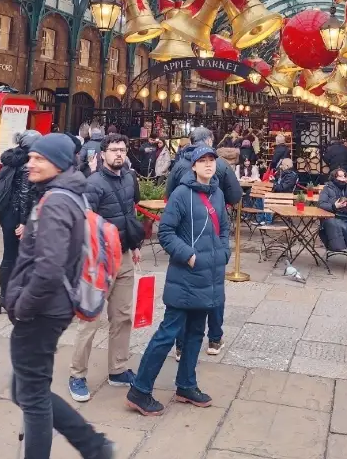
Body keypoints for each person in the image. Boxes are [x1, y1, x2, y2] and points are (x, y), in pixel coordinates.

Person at [5, 133, 116, 459]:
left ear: (59, 163)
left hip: (41, 311)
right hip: (53, 307)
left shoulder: (55, 202)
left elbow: (50, 268)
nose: (30, 164)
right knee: (22, 389)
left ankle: (94, 446)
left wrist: (23, 305)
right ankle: (94, 446)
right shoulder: (68, 195)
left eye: (39, 158)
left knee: (33, 396)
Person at [126, 146, 230, 416]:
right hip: (186, 277)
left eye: (212, 161)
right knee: (168, 333)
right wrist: (190, 256)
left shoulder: (217, 193)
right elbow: (167, 232)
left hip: (210, 275)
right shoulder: (182, 195)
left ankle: (186, 385)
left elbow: (225, 228)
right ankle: (140, 390)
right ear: (193, 166)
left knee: (196, 332)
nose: (208, 165)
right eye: (203, 161)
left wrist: (223, 252)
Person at [69, 134, 142, 401]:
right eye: (114, 150)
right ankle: (77, 374)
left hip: (123, 256)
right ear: (102, 154)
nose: (119, 154)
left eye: (122, 150)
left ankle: (118, 369)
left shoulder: (129, 178)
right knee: (90, 320)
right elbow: (85, 224)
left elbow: (130, 213)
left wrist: (134, 245)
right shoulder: (93, 184)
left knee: (122, 316)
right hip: (99, 260)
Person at [166, 126, 241, 357]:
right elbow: (235, 195)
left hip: (186, 235)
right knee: (213, 291)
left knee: (185, 297)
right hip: (208, 232)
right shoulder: (221, 165)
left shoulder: (178, 164)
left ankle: (180, 346)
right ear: (209, 139)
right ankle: (214, 340)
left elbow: (168, 193)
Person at [0, 130, 42, 313]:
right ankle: (11, 297)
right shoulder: (25, 164)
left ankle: (4, 296)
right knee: (17, 257)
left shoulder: (12, 158)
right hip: (17, 216)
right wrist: (23, 222)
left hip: (7, 214)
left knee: (9, 255)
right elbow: (25, 195)